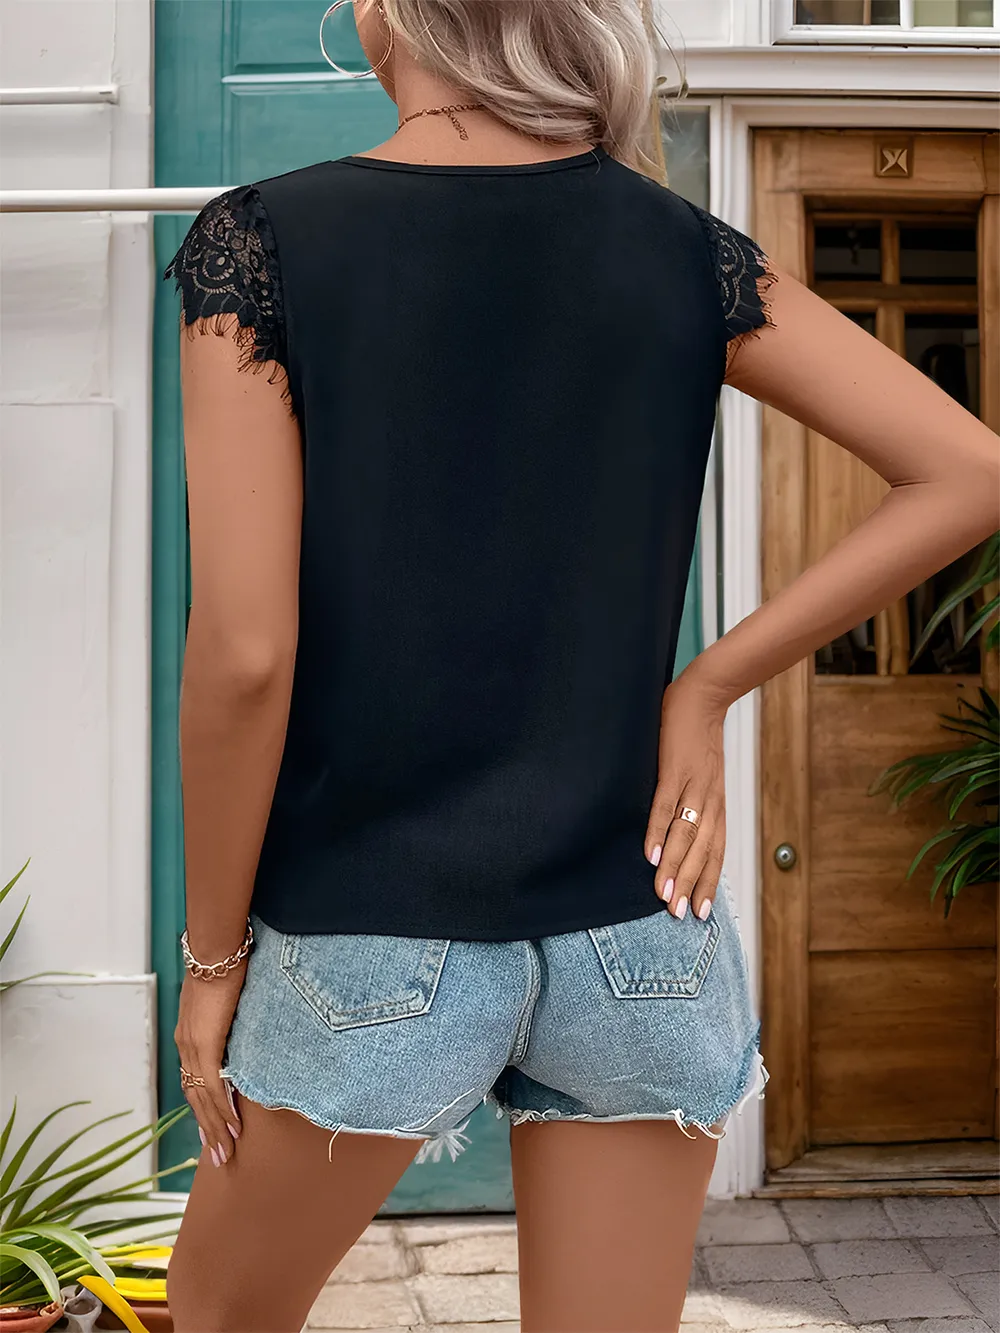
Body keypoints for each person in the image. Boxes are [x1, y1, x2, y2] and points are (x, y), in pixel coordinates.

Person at [162, 2, 1000, 1330]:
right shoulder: (685, 251)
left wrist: (212, 962)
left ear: (391, 15)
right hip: (639, 933)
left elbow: (247, 654)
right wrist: (708, 685)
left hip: (373, 931)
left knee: (218, 1318)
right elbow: (968, 472)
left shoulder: (260, 241)